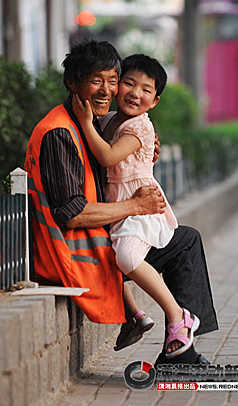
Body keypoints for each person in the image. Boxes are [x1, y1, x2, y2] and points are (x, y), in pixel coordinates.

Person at [24, 40, 217, 365]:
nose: (107, 90)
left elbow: (112, 155)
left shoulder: (84, 123)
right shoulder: (61, 132)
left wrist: (142, 151)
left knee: (186, 239)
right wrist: (136, 206)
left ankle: (179, 340)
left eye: (112, 80)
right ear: (73, 83)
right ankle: (180, 338)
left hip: (91, 238)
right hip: (71, 250)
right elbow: (72, 214)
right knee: (183, 244)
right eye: (97, 80)